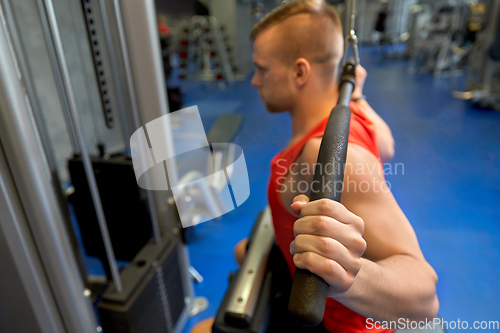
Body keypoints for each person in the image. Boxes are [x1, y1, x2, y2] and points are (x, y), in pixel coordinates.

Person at [191, 1, 438, 332]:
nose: (254, 81)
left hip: (335, 324)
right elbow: (388, 145)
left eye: (262, 69)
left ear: (299, 72)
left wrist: (350, 275)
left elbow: (424, 300)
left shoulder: (327, 154)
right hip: (297, 280)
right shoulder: (358, 111)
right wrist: (358, 95)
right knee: (243, 252)